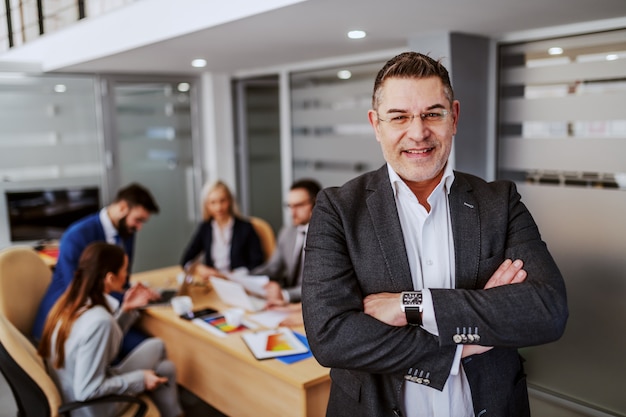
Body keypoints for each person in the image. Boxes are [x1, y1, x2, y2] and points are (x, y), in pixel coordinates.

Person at [301, 52, 568, 417]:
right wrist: (465, 341)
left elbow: (546, 311)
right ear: (376, 124)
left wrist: (409, 305)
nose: (418, 132)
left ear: (453, 117)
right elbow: (331, 337)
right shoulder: (337, 209)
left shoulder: (500, 202)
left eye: (432, 113)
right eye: (399, 117)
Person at [38, 242, 183, 417]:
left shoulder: (70, 304)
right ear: (110, 278)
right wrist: (140, 380)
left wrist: (127, 310)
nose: (127, 275)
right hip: (90, 408)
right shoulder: (100, 321)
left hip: (70, 395)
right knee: (158, 347)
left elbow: (98, 342)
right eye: (124, 270)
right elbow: (87, 390)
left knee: (166, 368)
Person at [33, 183, 160, 346]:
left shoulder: (126, 233)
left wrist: (138, 293)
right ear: (122, 207)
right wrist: (128, 298)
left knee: (150, 341)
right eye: (138, 220)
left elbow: (122, 281)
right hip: (69, 318)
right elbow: (77, 290)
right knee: (142, 346)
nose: (139, 227)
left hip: (105, 313)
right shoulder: (77, 236)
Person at [251, 179, 321, 307]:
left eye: (299, 205)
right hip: (285, 303)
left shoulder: (326, 237)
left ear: (315, 203)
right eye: (289, 206)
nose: (292, 213)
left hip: (314, 305)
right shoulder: (287, 232)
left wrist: (285, 295)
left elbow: (320, 285)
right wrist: (244, 277)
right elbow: (273, 268)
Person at [180, 180, 264, 280]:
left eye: (222, 201)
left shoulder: (246, 228)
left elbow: (258, 264)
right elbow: (186, 260)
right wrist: (199, 268)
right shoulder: (205, 228)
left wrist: (230, 275)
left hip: (238, 282)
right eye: (213, 202)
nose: (218, 207)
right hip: (214, 283)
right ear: (206, 205)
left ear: (230, 201)